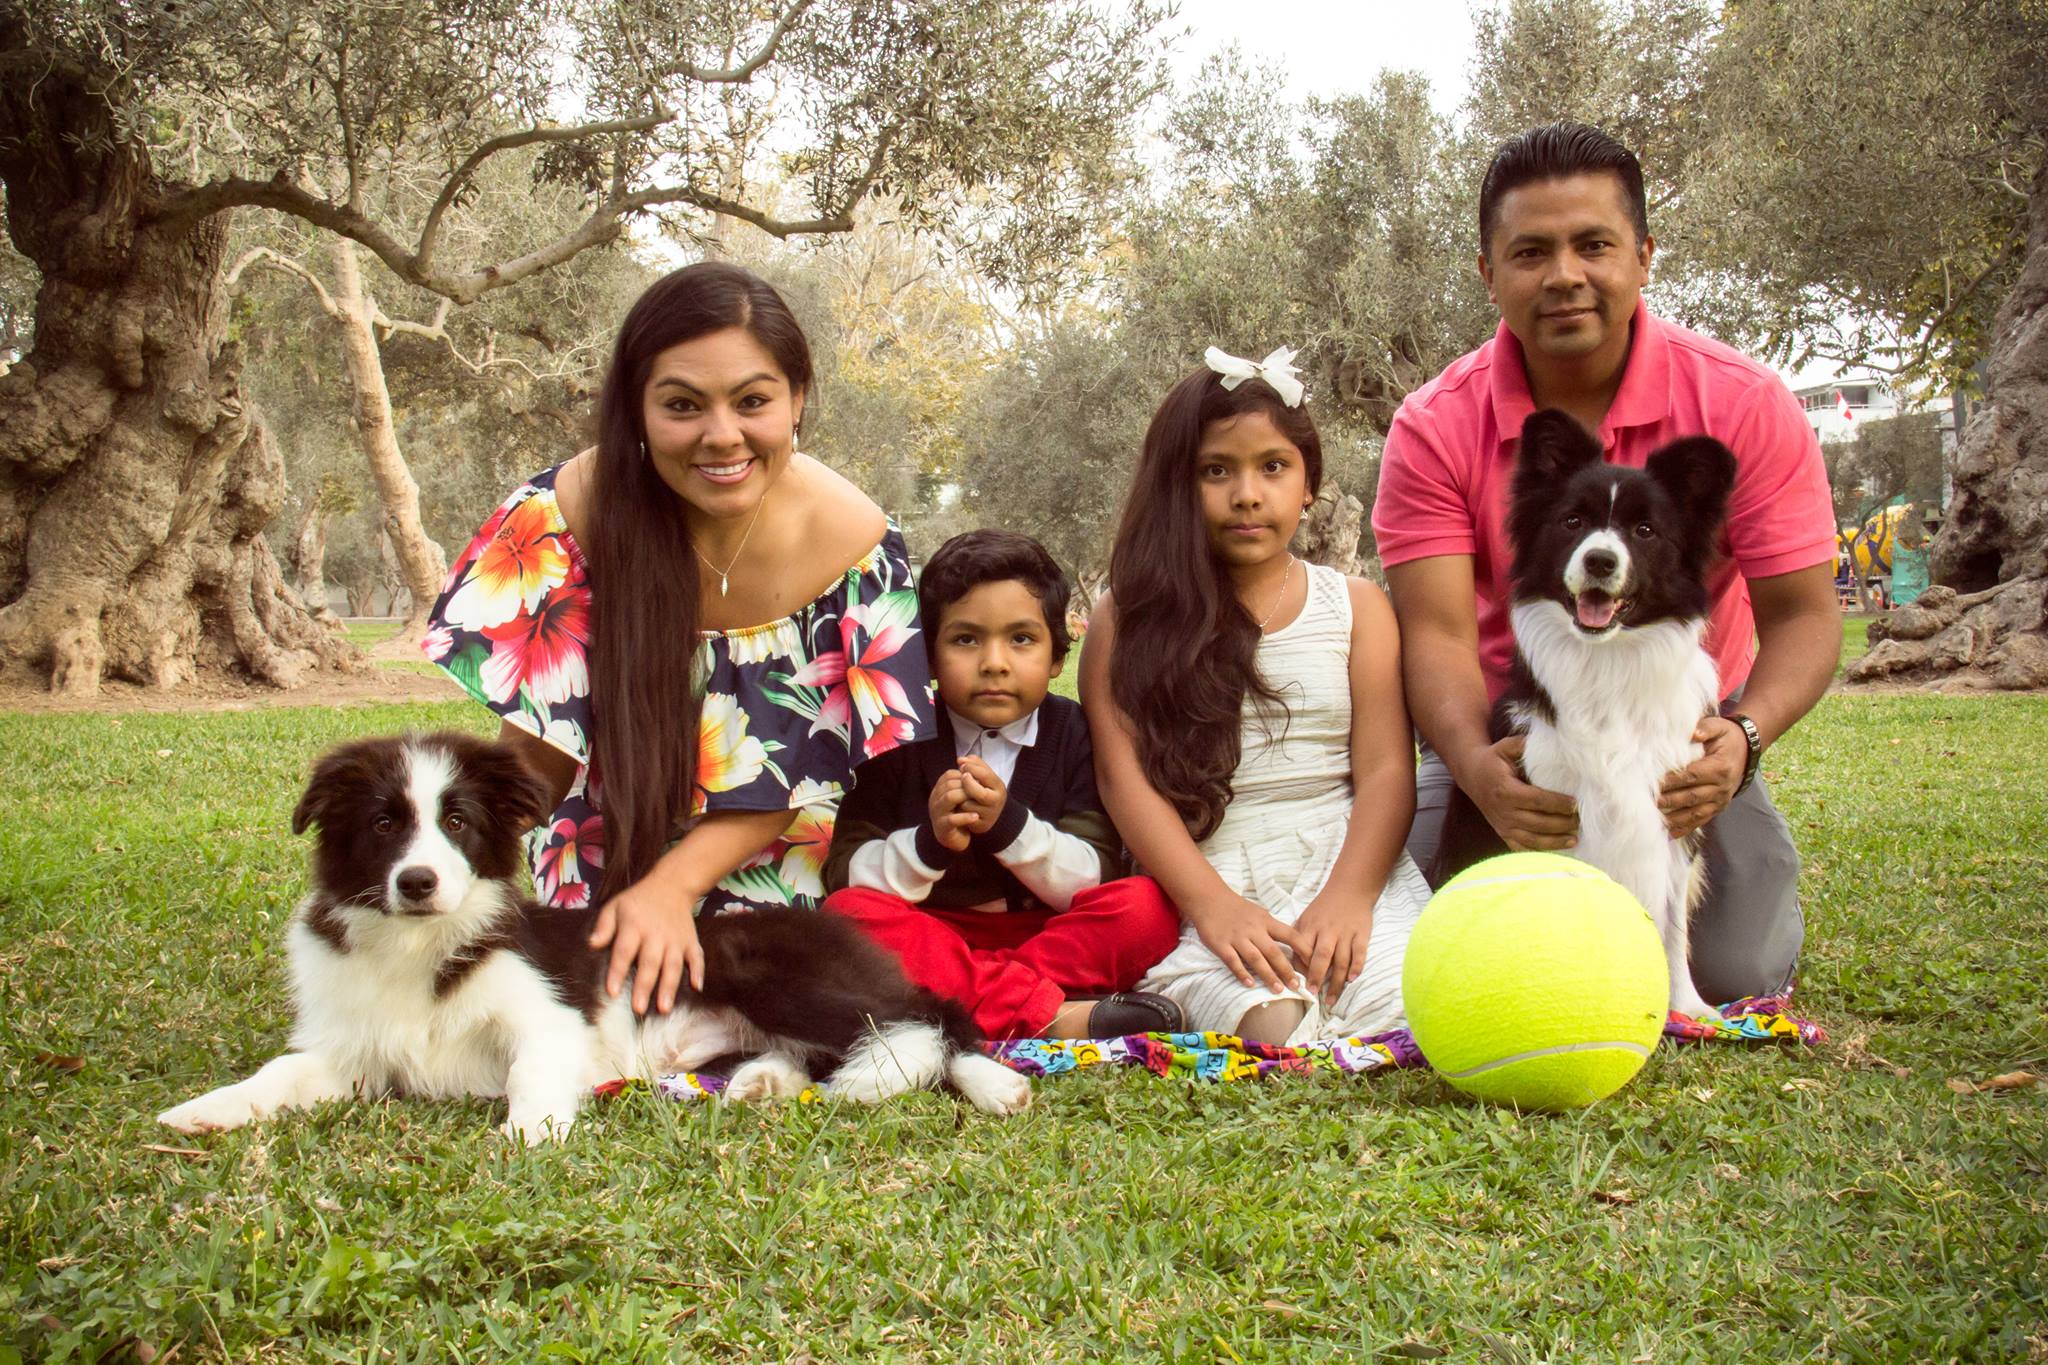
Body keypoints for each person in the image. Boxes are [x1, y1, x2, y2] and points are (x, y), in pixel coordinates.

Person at [1372, 122, 1841, 1003]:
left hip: (1681, 739)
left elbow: (1808, 617)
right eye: (1530, 251)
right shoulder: (1434, 425)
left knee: (1732, 972)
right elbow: (1432, 632)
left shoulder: (1744, 404)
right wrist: (1479, 771)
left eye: (1594, 245)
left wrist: (1741, 740)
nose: (1564, 276)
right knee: (1436, 958)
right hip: (1506, 733)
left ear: (1643, 255)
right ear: (1488, 272)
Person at [424, 262, 937, 1019]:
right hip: (605, 833)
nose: (721, 436)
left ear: (797, 399)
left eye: (753, 401)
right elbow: (537, 755)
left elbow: (791, 779)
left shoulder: (854, 547)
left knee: (763, 990)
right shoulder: (563, 518)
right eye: (682, 405)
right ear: (636, 409)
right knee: (596, 997)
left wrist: (675, 888)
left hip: (767, 841)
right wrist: (454, 871)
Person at [1081, 347, 1432, 1045]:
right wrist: (1214, 907)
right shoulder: (1125, 618)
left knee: (1411, 1004)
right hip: (1209, 877)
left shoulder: (1357, 607)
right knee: (1271, 1023)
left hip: (1349, 862)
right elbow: (1123, 780)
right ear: (1179, 483)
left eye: (1273, 467)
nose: (1248, 493)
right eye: (1218, 470)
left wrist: (1350, 896)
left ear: (1309, 484)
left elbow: (1390, 771)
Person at [820, 530, 1186, 1040]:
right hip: (933, 934)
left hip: (1044, 935)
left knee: (1145, 909)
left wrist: (1008, 826)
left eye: (1021, 639)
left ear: (1057, 657)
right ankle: (1054, 1016)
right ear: (926, 656)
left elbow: (1093, 875)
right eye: (966, 639)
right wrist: (929, 844)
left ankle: (977, 998)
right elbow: (847, 875)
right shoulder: (898, 734)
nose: (995, 662)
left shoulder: (1076, 733)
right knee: (846, 917)